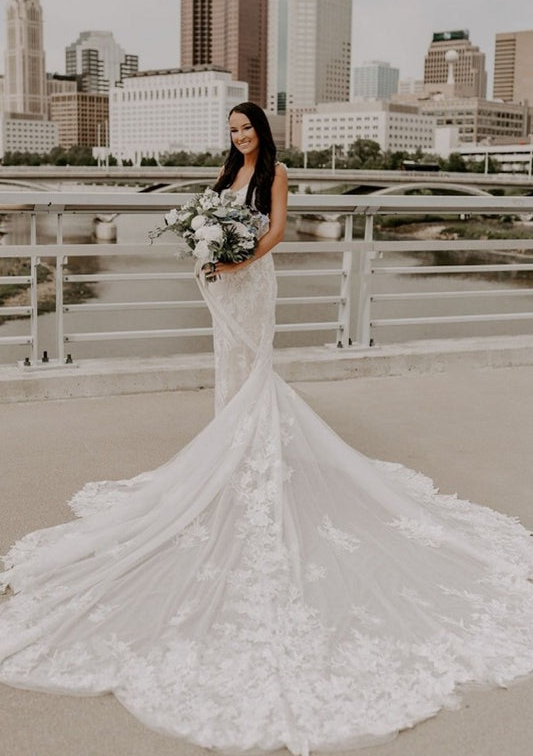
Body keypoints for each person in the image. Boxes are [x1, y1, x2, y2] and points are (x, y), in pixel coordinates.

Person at [1, 101, 533, 755]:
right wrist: (205, 251)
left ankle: (249, 455)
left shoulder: (272, 174)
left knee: (254, 372)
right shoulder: (225, 173)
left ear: (263, 130)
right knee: (229, 376)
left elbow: (277, 231)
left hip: (250, 283)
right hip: (221, 284)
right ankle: (231, 450)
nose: (239, 136)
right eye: (231, 130)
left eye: (246, 127)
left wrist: (236, 261)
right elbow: (205, 221)